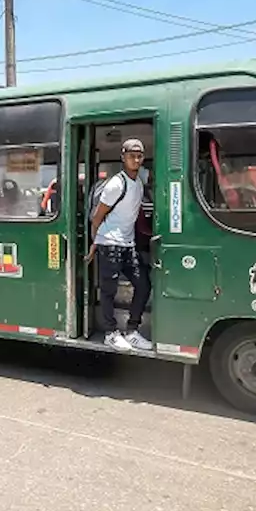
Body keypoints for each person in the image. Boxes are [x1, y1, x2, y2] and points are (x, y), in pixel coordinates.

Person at [86, 138, 152, 352]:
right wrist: (94, 244)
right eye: (131, 155)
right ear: (122, 157)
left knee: (143, 284)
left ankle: (132, 331)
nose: (135, 159)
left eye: (139, 155)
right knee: (108, 290)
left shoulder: (139, 182)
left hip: (127, 244)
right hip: (109, 243)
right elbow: (97, 217)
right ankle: (110, 333)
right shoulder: (116, 184)